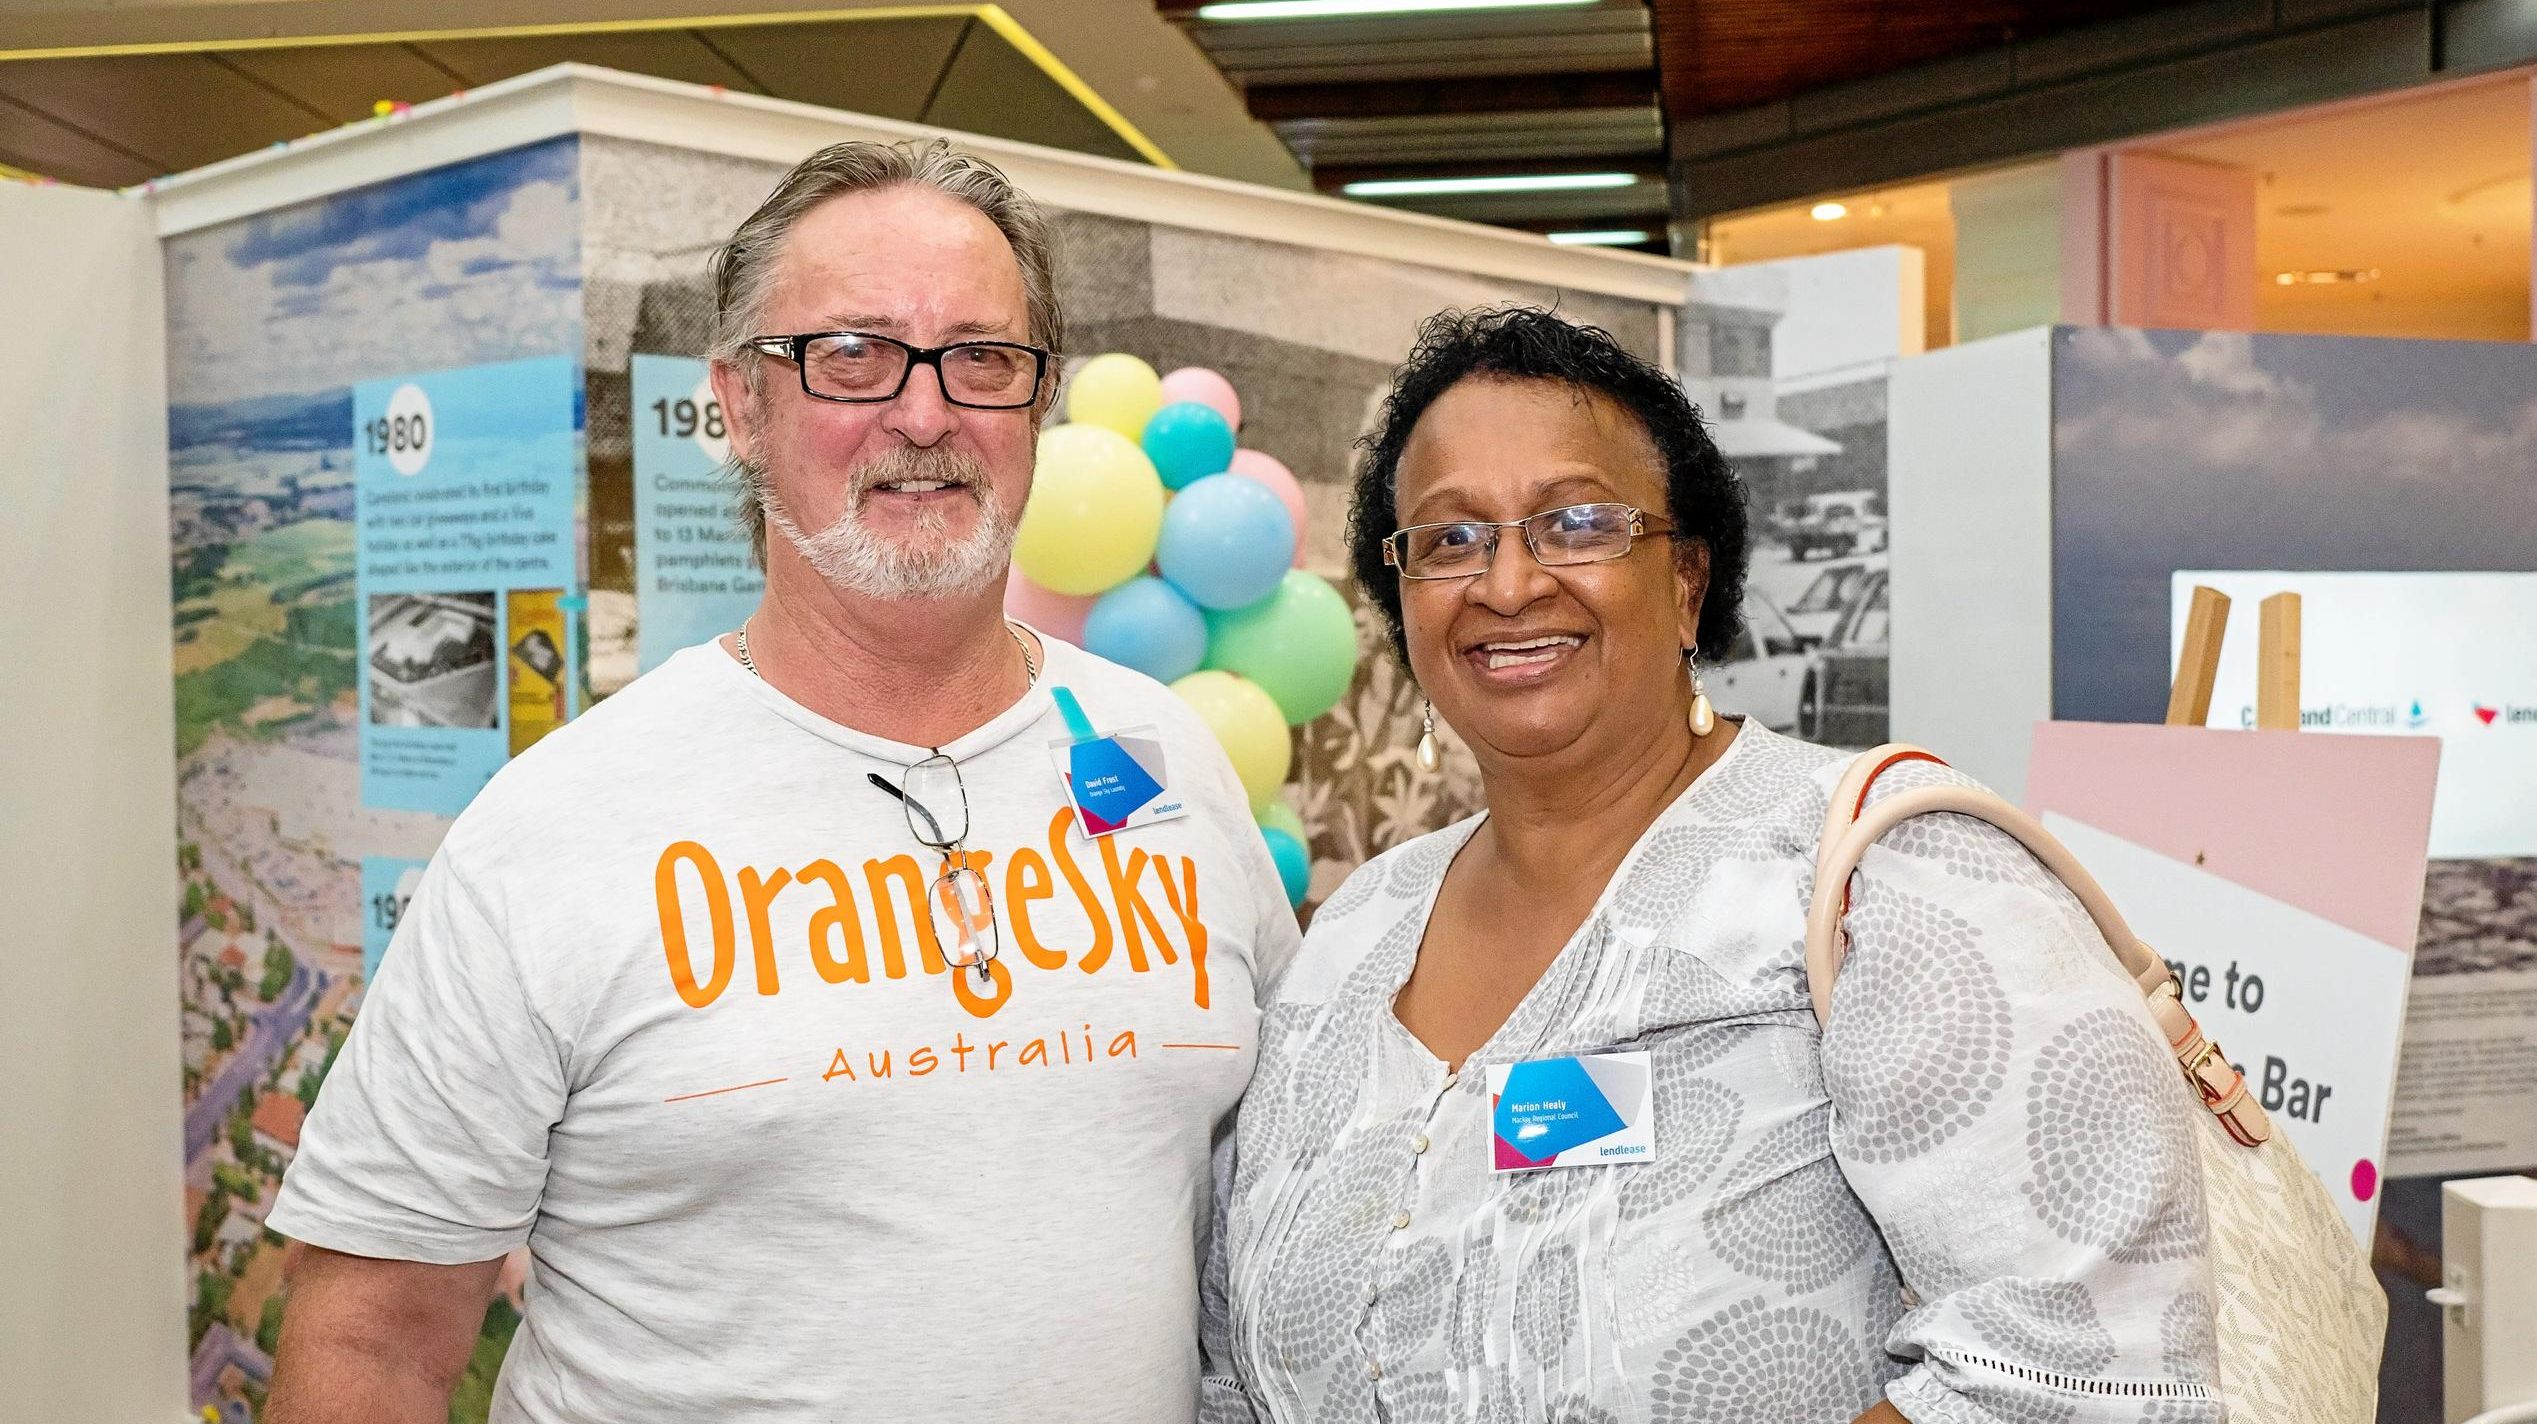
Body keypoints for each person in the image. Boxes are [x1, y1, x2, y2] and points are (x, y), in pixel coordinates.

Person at [267, 138, 1298, 1423]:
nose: (923, 416)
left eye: (980, 357)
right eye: (850, 354)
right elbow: (367, 1344)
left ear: (1036, 402)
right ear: (740, 404)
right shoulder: (553, 832)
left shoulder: (1174, 767)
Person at [1202, 307, 2222, 1423]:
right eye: (1448, 538)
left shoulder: (1883, 878)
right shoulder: (1356, 929)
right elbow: (1229, 1363)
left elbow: (2084, 1366)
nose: (1504, 583)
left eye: (1574, 523)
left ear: (1687, 579)